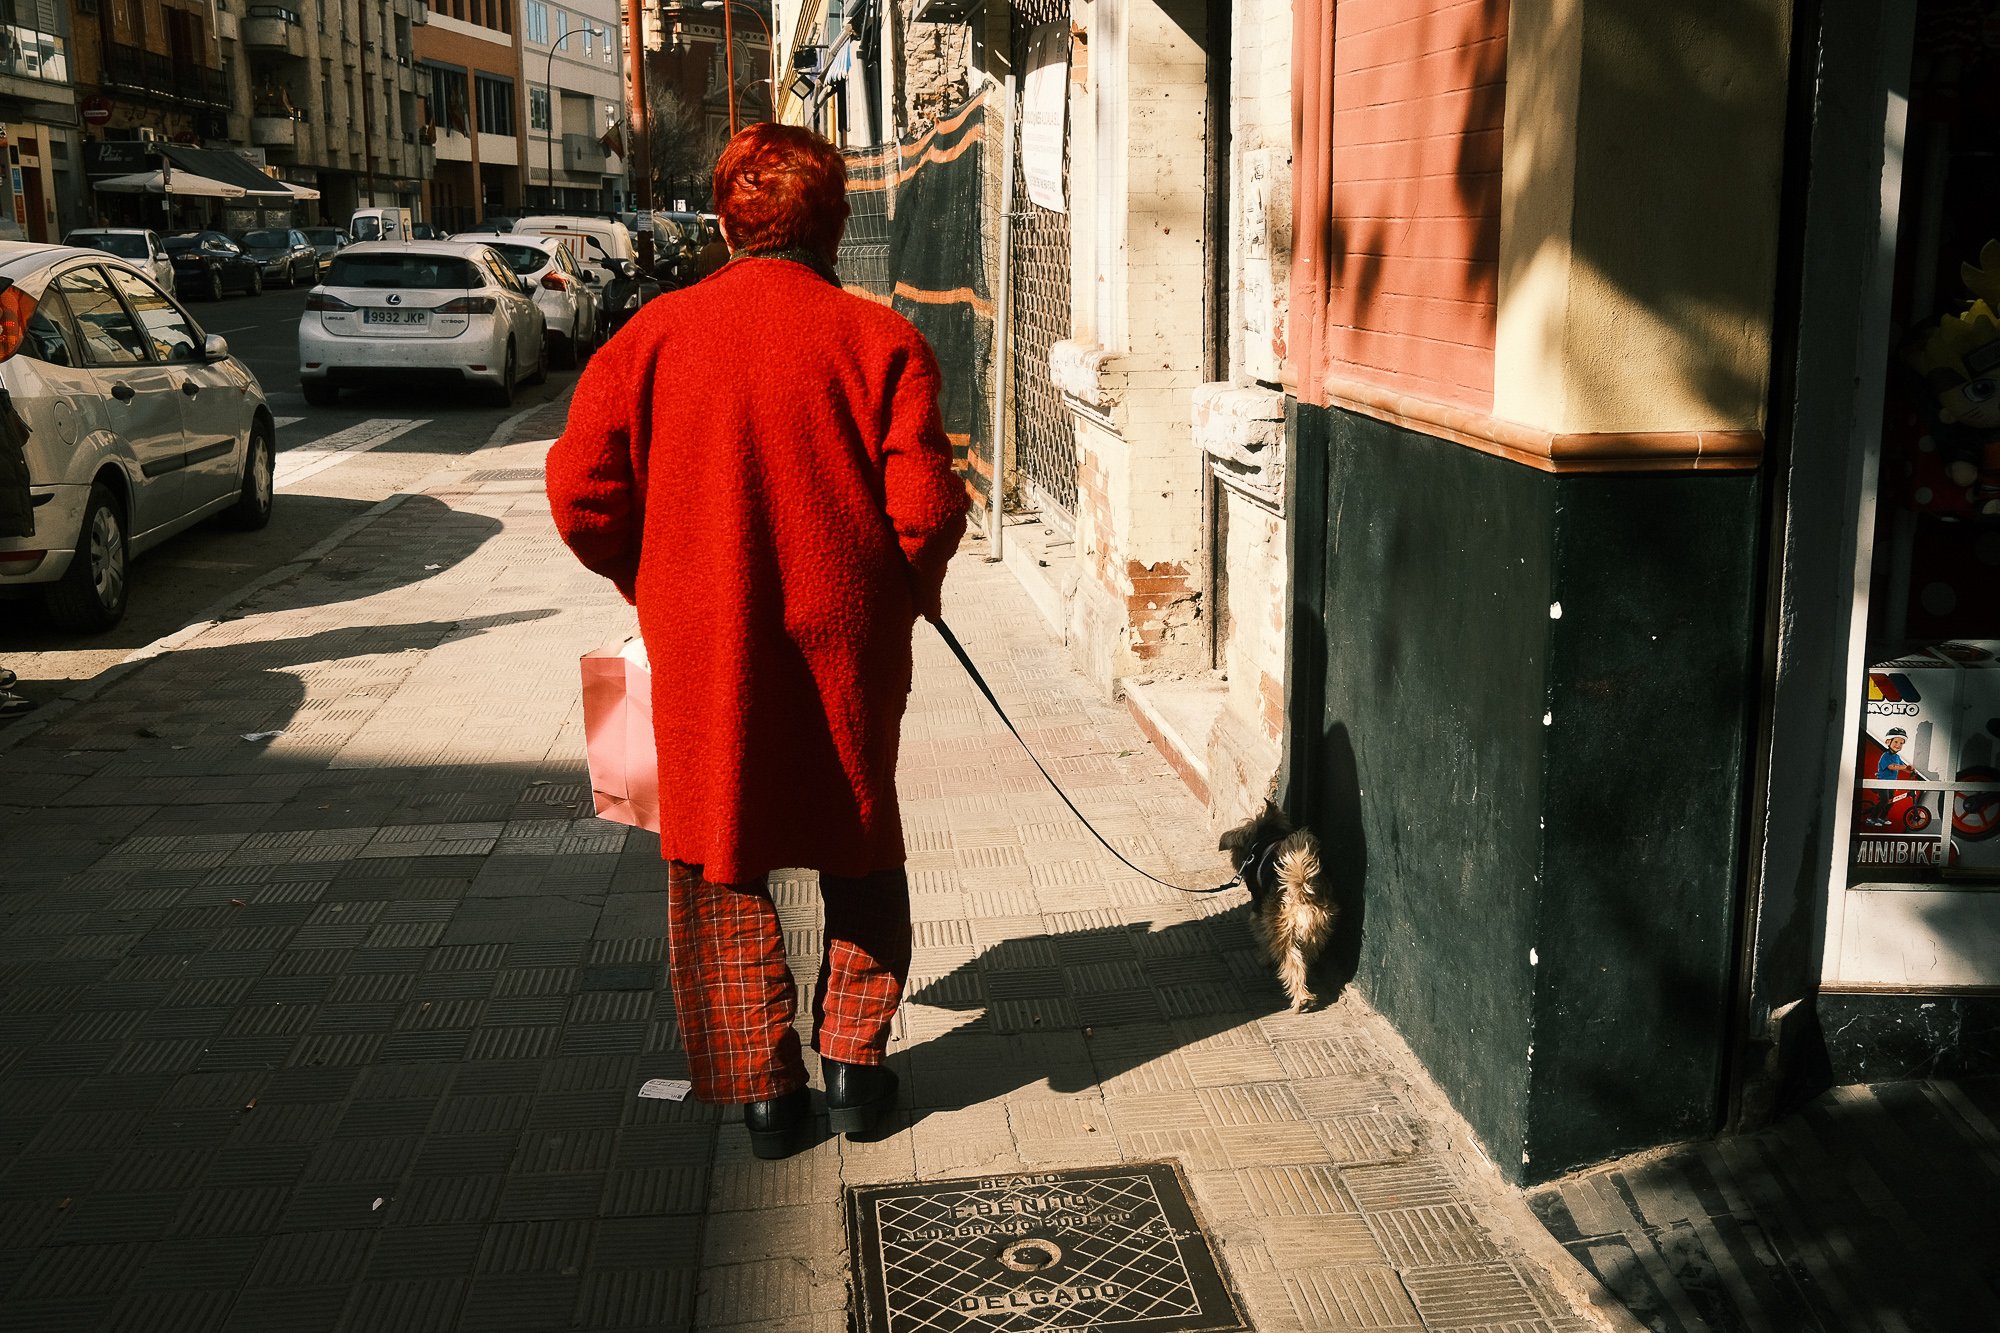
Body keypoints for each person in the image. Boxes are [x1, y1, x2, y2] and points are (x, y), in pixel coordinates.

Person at [546, 124, 968, 1159]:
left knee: (717, 851)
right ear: (832, 219)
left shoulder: (651, 336)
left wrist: (654, 581)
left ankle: (765, 1093)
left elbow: (578, 493)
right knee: (857, 838)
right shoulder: (880, 342)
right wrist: (904, 591)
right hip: (847, 641)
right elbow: (925, 512)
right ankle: (855, 1071)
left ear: (729, 221)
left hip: (702, 642)